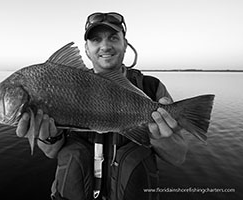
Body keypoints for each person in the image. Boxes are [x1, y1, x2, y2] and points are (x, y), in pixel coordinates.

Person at [16, 12, 188, 200]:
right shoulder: (61, 84)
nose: (105, 46)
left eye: (113, 38)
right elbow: (51, 152)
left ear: (125, 44)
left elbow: (178, 157)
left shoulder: (151, 88)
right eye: (96, 40)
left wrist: (160, 137)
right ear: (87, 49)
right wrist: (48, 137)